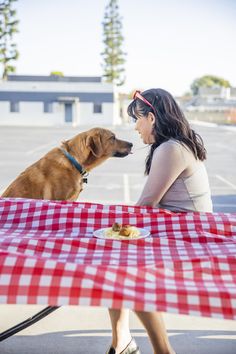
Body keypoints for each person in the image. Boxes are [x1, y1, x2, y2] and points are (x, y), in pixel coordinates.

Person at [106, 88, 213, 354]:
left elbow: (146, 204)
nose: (135, 127)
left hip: (189, 239)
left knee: (128, 273)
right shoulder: (174, 144)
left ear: (152, 118)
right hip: (182, 231)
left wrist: (113, 228)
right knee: (118, 263)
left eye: (137, 118)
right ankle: (121, 342)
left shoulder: (171, 148)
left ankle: (162, 351)